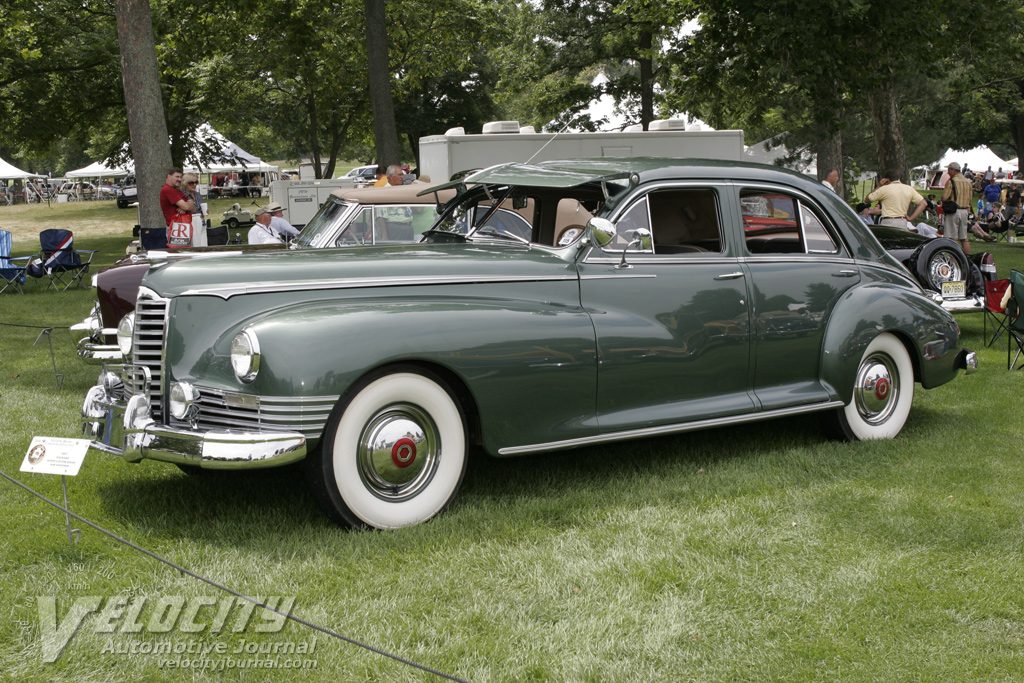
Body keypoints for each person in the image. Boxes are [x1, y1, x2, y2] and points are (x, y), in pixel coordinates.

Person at [941, 162, 976, 253]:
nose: (948, 172)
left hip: (954, 211)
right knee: (964, 238)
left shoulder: (951, 181)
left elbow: (944, 198)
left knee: (953, 237)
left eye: (948, 170)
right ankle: (967, 258)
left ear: (953, 170)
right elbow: (970, 198)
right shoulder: (968, 182)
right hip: (964, 211)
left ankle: (954, 257)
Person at [159, 167, 195, 245]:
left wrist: (186, 207)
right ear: (169, 176)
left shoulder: (177, 191)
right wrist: (186, 206)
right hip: (176, 229)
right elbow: (187, 206)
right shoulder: (168, 190)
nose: (179, 179)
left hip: (183, 228)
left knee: (186, 254)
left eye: (180, 177)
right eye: (177, 176)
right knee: (179, 254)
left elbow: (193, 207)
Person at [181, 173, 208, 247]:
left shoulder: (197, 194)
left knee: (203, 240)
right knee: (195, 242)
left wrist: (205, 210)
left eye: (196, 182)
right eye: (191, 183)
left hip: (201, 219)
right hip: (190, 219)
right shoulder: (182, 195)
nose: (194, 184)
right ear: (185, 183)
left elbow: (201, 206)